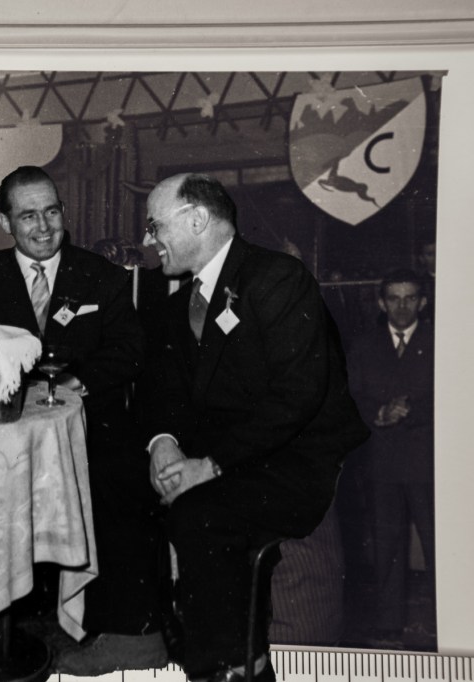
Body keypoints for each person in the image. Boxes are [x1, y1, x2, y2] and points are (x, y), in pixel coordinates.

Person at [140, 173, 369, 682]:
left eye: (155, 226)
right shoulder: (177, 305)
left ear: (197, 219)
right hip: (232, 459)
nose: (148, 240)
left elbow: (297, 395)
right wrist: (163, 444)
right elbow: (162, 390)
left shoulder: (277, 278)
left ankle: (232, 668)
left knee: (199, 515)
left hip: (293, 459)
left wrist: (210, 465)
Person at [0, 166, 167, 673]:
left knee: (118, 479)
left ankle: (124, 631)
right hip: (10, 427)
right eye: (28, 216)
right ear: (5, 222)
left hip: (91, 420)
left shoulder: (103, 276)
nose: (44, 227)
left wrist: (76, 382)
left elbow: (130, 351)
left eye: (52, 212)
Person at [347, 269, 435, 643]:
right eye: (394, 298)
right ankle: (388, 625)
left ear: (423, 302)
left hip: (428, 463)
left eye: (410, 298)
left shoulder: (440, 341)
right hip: (382, 463)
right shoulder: (364, 346)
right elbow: (352, 397)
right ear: (382, 304)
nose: (402, 306)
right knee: (387, 545)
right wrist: (378, 413)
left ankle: (443, 620)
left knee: (437, 543)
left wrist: (410, 411)